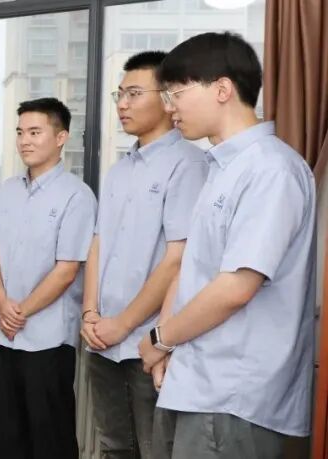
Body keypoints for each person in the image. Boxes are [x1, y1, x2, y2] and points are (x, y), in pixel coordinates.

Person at [138, 32, 315, 459]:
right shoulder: (222, 167)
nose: (169, 106)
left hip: (234, 394)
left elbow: (236, 287)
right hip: (195, 380)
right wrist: (166, 345)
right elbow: (192, 268)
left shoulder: (271, 169)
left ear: (222, 89)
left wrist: (160, 338)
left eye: (177, 92)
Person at [82, 51, 207, 459]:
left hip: (148, 341)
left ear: (169, 99)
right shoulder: (119, 170)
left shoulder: (189, 164)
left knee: (154, 450)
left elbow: (178, 259)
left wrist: (123, 325)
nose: (122, 103)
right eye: (119, 94)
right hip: (102, 337)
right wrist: (91, 314)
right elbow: (98, 243)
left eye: (134, 93)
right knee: (114, 446)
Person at [0, 97, 96, 459]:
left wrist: (20, 312)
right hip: (1, 333)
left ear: (61, 137)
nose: (24, 141)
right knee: (5, 433)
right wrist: (2, 304)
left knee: (50, 437)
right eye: (20, 133)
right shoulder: (7, 190)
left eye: (35, 132)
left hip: (47, 337)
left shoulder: (77, 195)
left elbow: (66, 270)